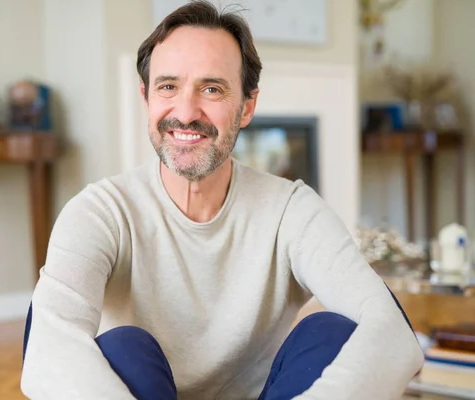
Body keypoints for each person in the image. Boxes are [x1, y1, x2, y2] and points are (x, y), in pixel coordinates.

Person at [21, 1, 424, 399]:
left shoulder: (291, 210)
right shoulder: (100, 212)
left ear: (247, 106)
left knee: (332, 333)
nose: (186, 111)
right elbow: (47, 349)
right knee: (123, 348)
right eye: (168, 86)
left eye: (211, 89)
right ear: (146, 97)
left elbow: (391, 330)